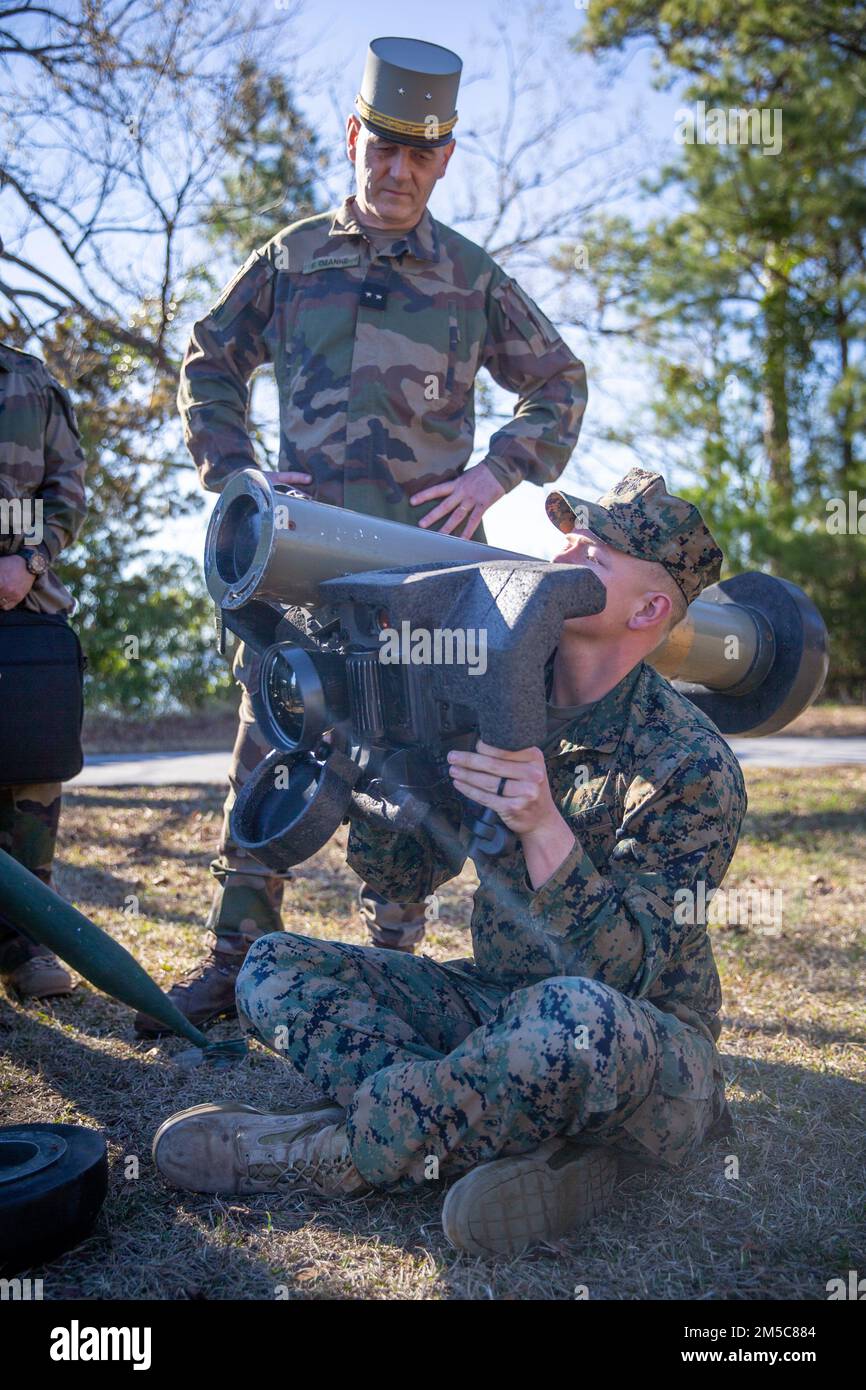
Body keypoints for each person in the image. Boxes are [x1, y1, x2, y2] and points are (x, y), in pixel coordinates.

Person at [152, 469, 748, 1259]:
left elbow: (627, 973)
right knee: (271, 969)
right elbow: (402, 878)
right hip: (497, 1004)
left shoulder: (690, 764)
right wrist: (379, 768)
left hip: (641, 1043)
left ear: (648, 609)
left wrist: (541, 825)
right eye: (569, 535)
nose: (565, 551)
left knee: (573, 1018)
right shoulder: (490, 685)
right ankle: (535, 1147)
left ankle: (330, 1150)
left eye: (597, 553)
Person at [140, 35, 587, 1033]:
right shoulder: (293, 256)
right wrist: (236, 472)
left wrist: (494, 473)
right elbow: (209, 356)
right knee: (267, 751)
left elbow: (559, 383)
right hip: (297, 567)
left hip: (416, 579)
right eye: (380, 148)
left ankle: (394, 961)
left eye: (417, 156)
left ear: (443, 161)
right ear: (353, 137)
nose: (394, 171)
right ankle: (231, 958)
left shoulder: (471, 281)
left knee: (405, 773)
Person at [0, 338, 87, 998]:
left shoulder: (27, 383)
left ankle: (28, 952)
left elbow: (66, 493)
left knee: (30, 785)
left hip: (21, 609)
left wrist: (27, 562)